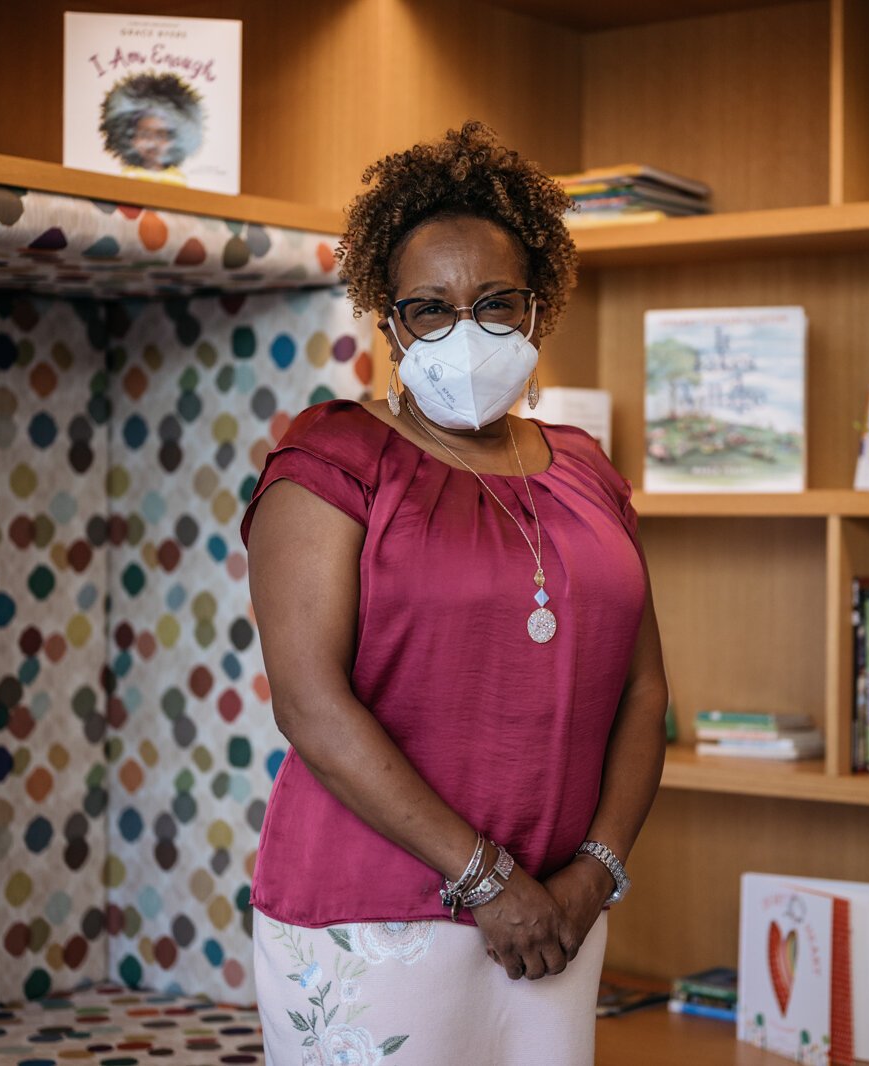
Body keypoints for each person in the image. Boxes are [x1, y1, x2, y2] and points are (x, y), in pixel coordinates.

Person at [241, 120, 668, 1065]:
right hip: (376, 915)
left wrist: (593, 875)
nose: (463, 329)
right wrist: (488, 881)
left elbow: (642, 695)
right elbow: (311, 706)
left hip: (560, 915)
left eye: (494, 304)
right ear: (389, 323)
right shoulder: (335, 456)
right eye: (429, 309)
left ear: (538, 310)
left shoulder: (588, 470)